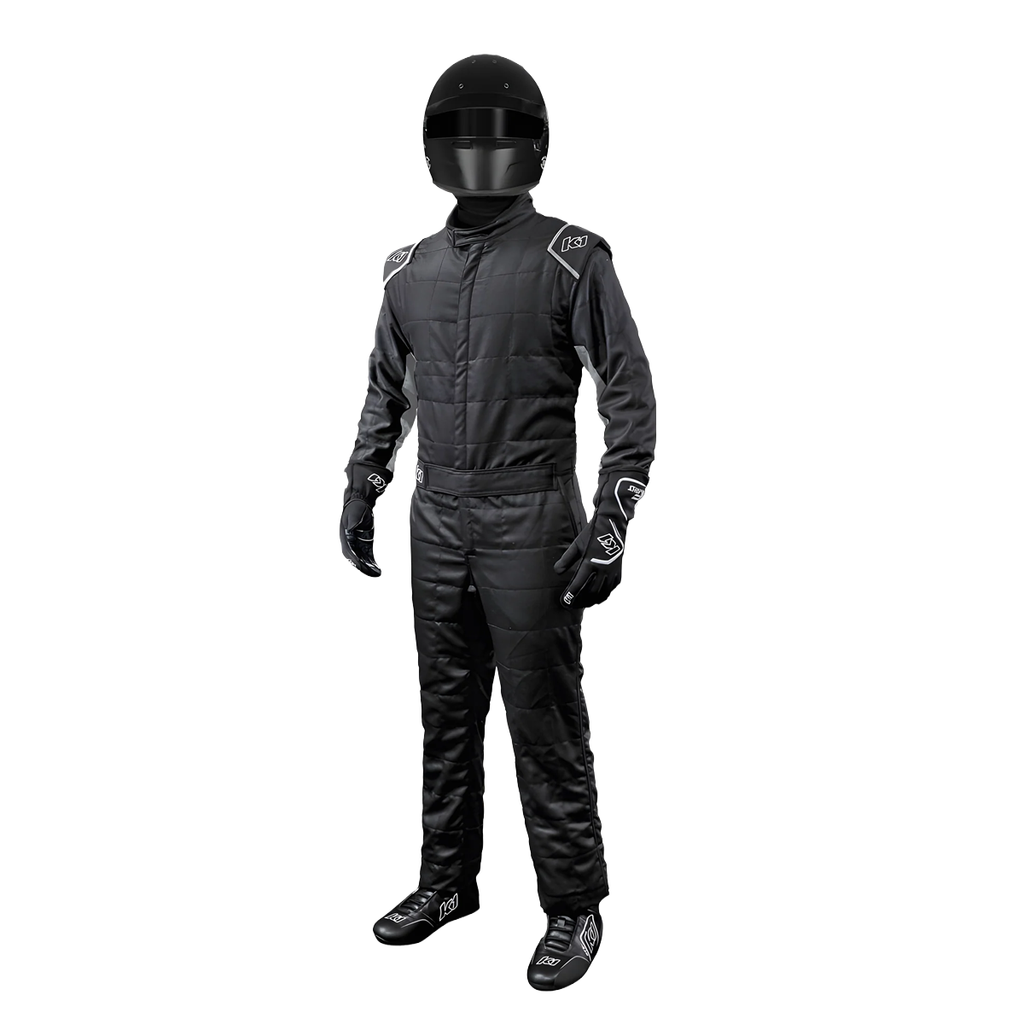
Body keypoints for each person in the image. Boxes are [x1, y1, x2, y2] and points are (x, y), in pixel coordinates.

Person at [341, 54, 656, 990]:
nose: (482, 155)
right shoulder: (408, 271)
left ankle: (574, 905)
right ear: (437, 150)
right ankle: (446, 883)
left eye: (499, 139)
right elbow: (386, 389)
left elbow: (629, 395)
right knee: (445, 711)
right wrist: (362, 484)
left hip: (531, 515)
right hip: (437, 514)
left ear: (534, 148)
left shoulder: (572, 258)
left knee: (544, 717)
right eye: (466, 140)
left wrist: (612, 518)